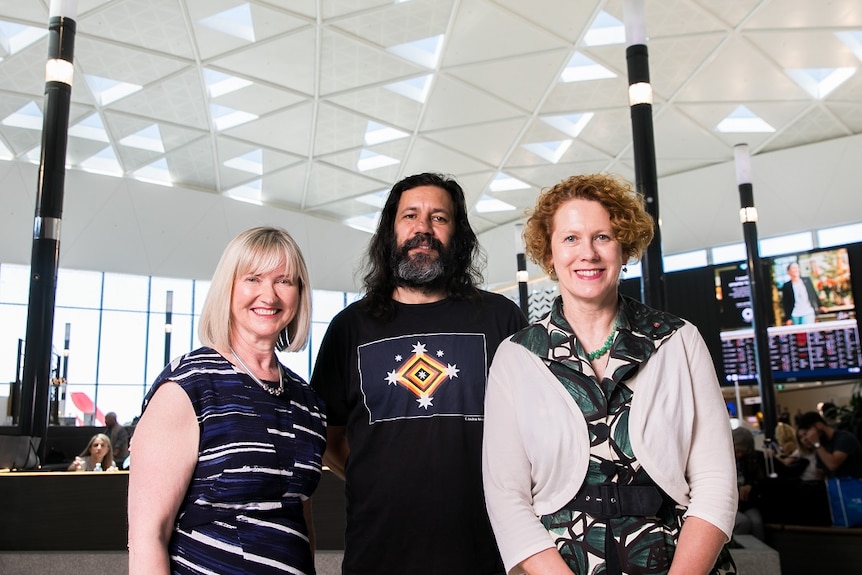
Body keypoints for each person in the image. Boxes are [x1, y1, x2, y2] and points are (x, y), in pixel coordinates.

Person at [482, 174, 738, 575]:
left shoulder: (679, 340)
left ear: (624, 248)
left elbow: (716, 482)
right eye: (570, 239)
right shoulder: (516, 357)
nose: (588, 253)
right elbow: (506, 498)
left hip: (678, 560)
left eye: (602, 236)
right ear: (549, 254)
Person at [310, 172, 527, 575]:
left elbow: (532, 432)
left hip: (486, 555)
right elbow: (328, 437)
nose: (423, 229)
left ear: (457, 234)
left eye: (439, 218)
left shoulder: (501, 319)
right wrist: (378, 475)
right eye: (410, 216)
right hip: (378, 554)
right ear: (390, 231)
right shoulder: (349, 328)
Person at [128, 227, 326, 575]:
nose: (269, 295)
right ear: (228, 288)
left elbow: (300, 524)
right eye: (253, 278)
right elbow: (148, 535)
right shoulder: (190, 386)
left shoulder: (306, 400)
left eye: (284, 281)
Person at [796, 410, 862, 478]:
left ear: (819, 425)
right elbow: (823, 472)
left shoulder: (844, 438)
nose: (807, 437)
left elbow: (833, 465)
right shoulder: (822, 444)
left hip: (853, 484)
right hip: (834, 485)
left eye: (807, 433)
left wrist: (816, 444)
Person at [732, 427, 766, 541]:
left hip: (747, 503)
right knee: (743, 522)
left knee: (757, 523)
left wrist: (750, 486)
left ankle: (761, 555)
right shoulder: (720, 461)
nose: (739, 454)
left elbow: (760, 480)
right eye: (737, 451)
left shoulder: (752, 460)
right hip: (729, 503)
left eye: (743, 452)